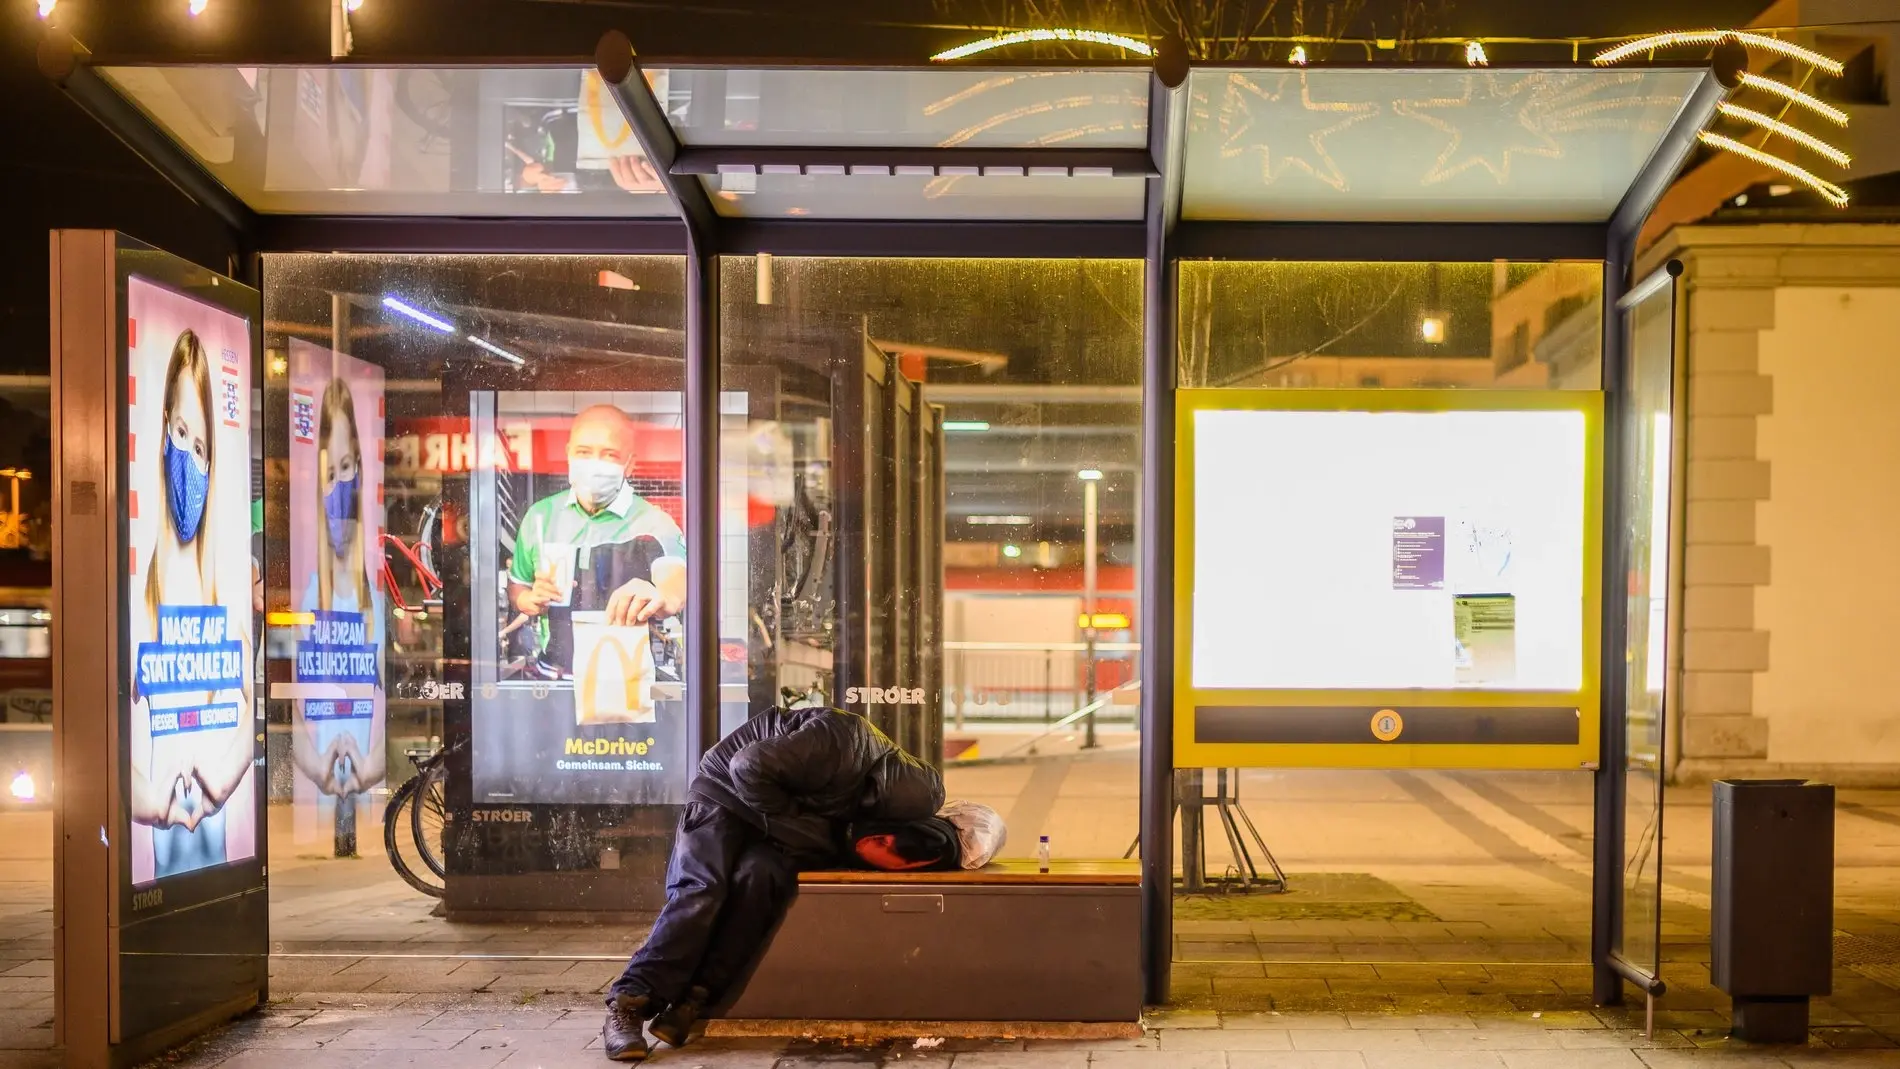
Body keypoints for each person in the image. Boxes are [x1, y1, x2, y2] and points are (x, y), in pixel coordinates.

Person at [602, 707, 944, 1062]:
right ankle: (629, 1004)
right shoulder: (839, 743)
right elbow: (747, 766)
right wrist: (791, 820)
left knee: (761, 882)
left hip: (771, 812)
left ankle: (692, 1001)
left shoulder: (882, 784)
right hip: (725, 793)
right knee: (702, 889)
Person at [130, 329, 255, 875]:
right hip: (163, 861)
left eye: (201, 447)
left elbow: (254, 712)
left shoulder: (225, 588)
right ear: (162, 430)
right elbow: (104, 737)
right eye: (181, 432)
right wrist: (152, 803)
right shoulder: (139, 598)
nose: (189, 456)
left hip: (218, 852)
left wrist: (223, 778)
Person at [508, 404, 687, 673]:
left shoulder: (654, 522)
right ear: (569, 453)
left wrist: (660, 596)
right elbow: (518, 585)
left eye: (609, 455)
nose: (594, 463)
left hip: (626, 682)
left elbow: (676, 587)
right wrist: (528, 601)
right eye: (584, 452)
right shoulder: (540, 517)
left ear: (630, 464)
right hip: (554, 675)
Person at [290, 379, 386, 805]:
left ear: (361, 469)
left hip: (364, 796)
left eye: (346, 468)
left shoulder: (376, 601)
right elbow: (287, 710)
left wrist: (369, 770)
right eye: (329, 474)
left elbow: (390, 710)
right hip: (312, 803)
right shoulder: (305, 598)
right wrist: (318, 768)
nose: (339, 486)